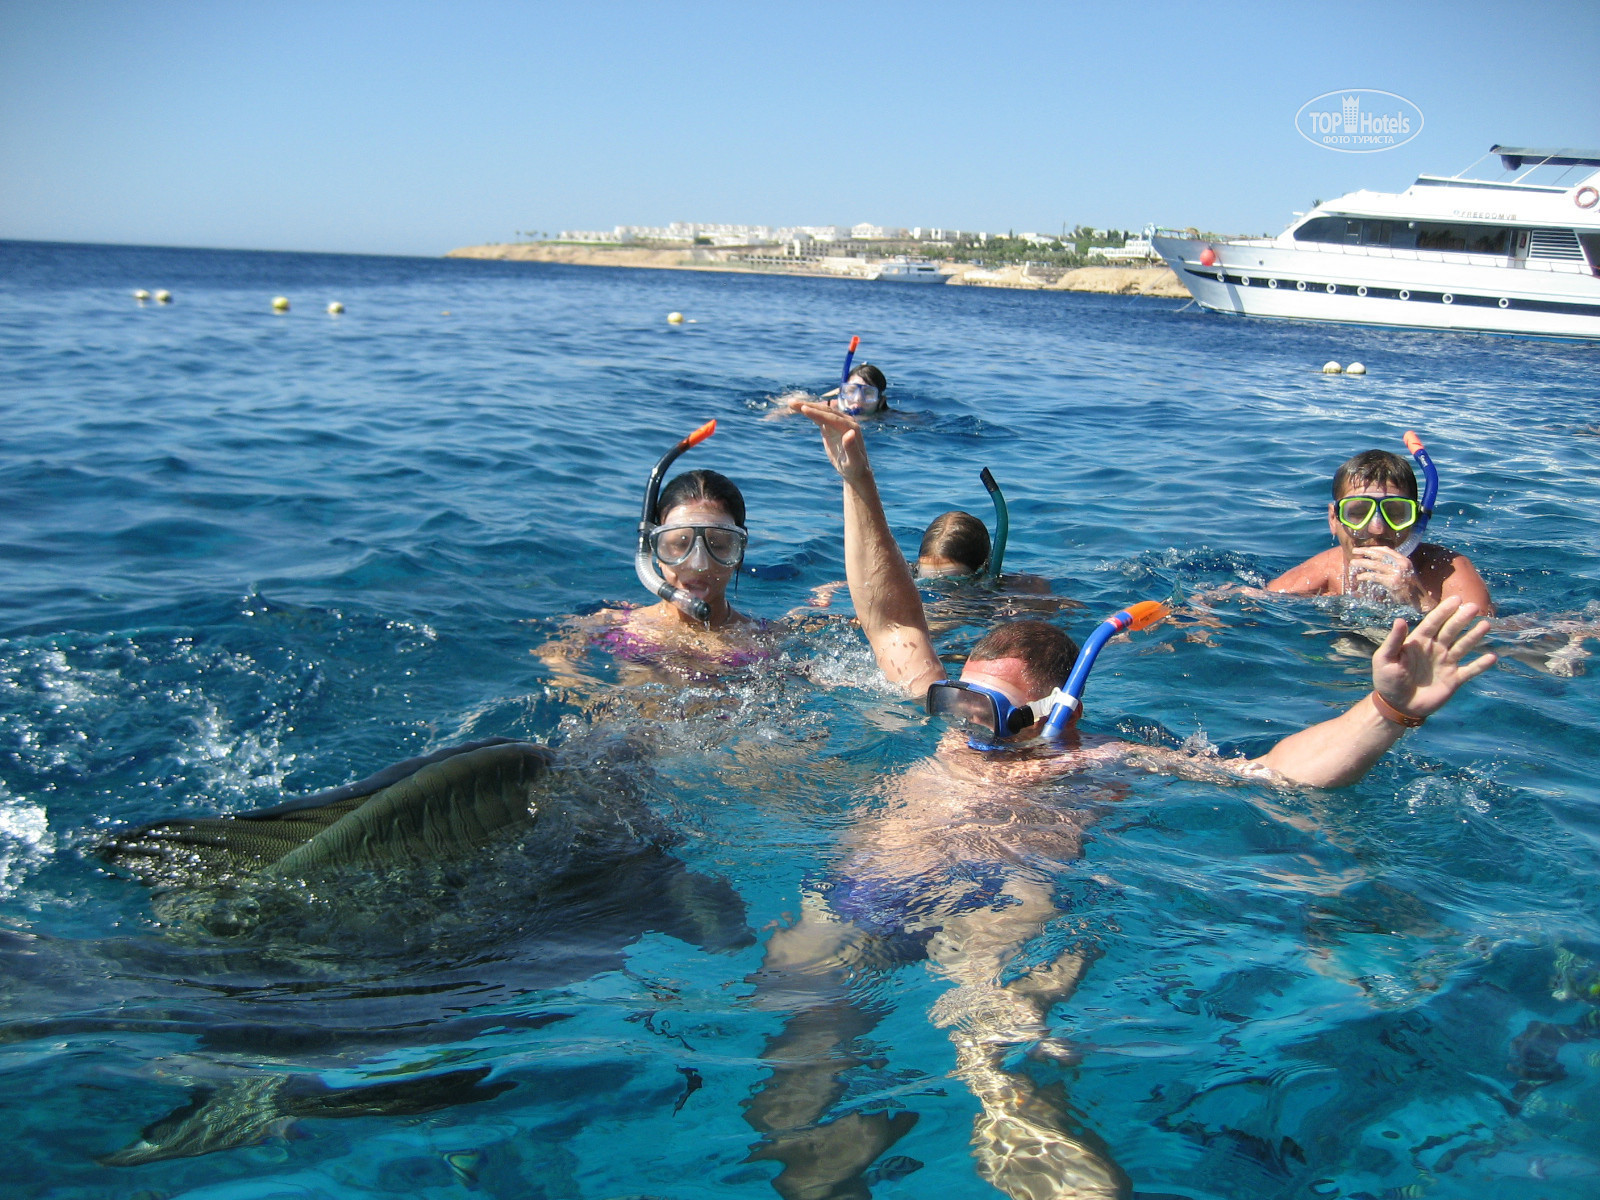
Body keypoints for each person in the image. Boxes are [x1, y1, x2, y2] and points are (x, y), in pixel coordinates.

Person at [741, 399, 1497, 1200]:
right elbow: (888, 613)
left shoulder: (1097, 761)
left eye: (992, 716)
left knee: (991, 1055)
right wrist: (857, 477)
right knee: (799, 1060)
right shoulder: (949, 730)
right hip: (869, 888)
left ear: (1057, 714)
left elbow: (1277, 772)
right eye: (956, 706)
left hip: (999, 902)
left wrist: (1387, 712)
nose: (967, 730)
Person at [1267, 448, 1493, 613]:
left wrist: (1417, 601)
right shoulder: (1324, 572)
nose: (1377, 528)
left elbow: (1484, 640)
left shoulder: (1449, 571)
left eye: (1395, 513)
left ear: (1414, 521)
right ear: (1333, 519)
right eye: (1357, 512)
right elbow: (1256, 606)